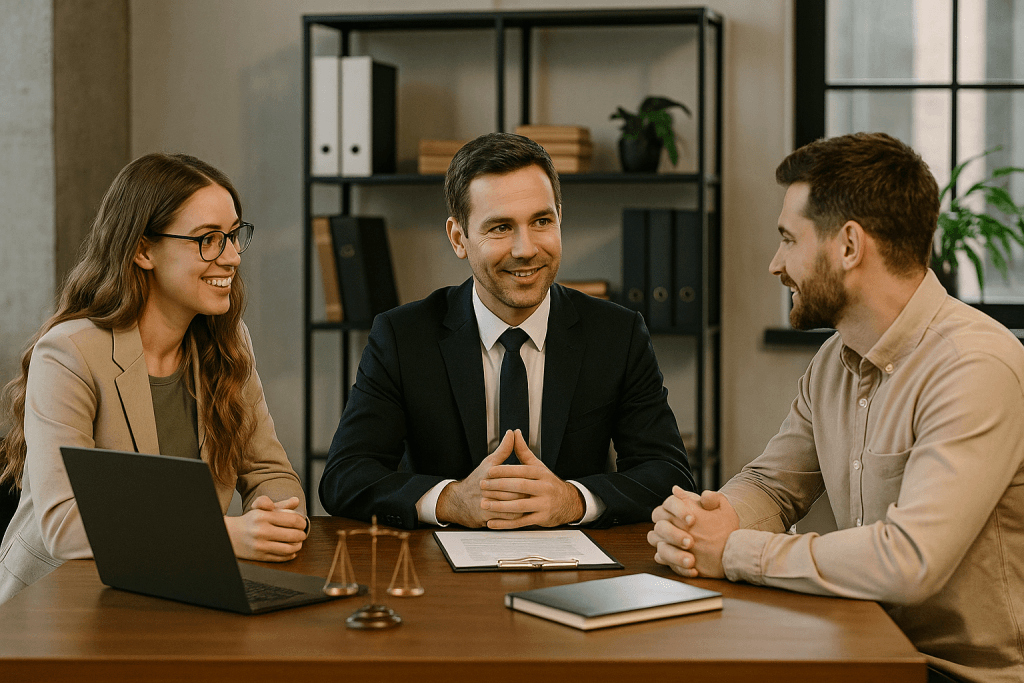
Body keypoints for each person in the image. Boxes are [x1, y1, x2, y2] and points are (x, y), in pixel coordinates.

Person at [648, 133, 1024, 683]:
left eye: (787, 239)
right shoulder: (835, 357)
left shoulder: (975, 366)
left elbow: (908, 561)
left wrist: (731, 551)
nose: (776, 264)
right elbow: (774, 485)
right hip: (864, 646)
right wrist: (703, 525)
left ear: (848, 246)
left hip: (958, 675)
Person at [319, 132, 694, 530]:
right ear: (459, 238)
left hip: (578, 566)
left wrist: (573, 500)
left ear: (560, 219)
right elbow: (345, 477)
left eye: (542, 221)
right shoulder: (402, 336)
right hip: (442, 570)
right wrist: (451, 500)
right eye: (500, 227)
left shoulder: (618, 334)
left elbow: (668, 474)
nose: (525, 248)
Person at [0, 153, 309, 605]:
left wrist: (274, 513)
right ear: (143, 250)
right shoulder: (68, 353)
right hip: (59, 606)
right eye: (209, 240)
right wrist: (226, 537)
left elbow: (269, 471)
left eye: (233, 236)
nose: (233, 256)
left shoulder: (227, 341)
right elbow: (64, 524)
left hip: (177, 594)